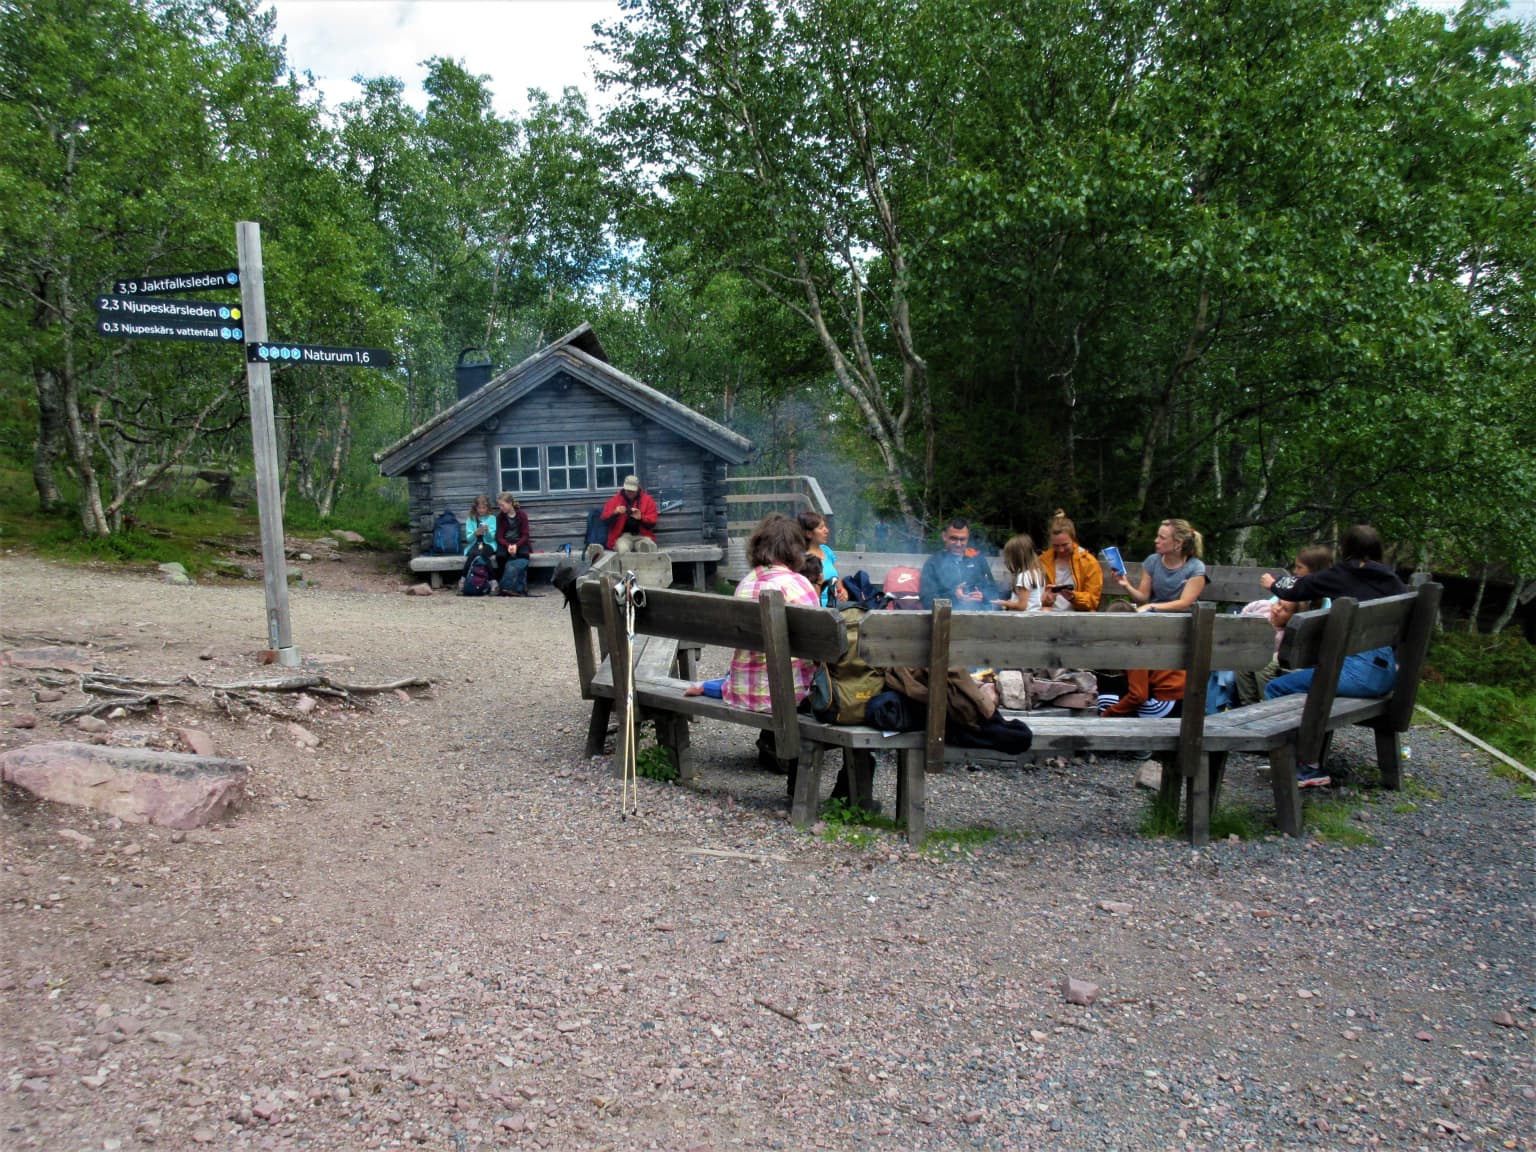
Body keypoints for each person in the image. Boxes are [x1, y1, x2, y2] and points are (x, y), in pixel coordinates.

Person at [1262, 524, 1407, 787]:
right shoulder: (1393, 581)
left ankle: (1304, 765)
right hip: (1386, 674)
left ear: (1345, 549)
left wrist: (1273, 584)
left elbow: (1297, 589)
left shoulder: (1343, 575)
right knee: (1316, 684)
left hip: (1356, 674)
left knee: (1277, 688)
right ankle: (1307, 757)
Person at [684, 514, 820, 722]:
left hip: (743, 689)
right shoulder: (799, 584)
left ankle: (710, 686)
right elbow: (816, 645)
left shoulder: (744, 584)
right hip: (793, 693)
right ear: (793, 550)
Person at [1096, 602, 1185, 717]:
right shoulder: (1146, 637)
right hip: (1178, 699)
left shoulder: (1134, 649)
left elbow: (1138, 696)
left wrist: (1108, 713)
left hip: (1166, 703)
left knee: (1103, 701)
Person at [1115, 518, 1207, 613]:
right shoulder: (1152, 561)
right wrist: (1126, 585)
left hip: (1182, 622)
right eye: (1157, 536)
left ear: (1178, 543)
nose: (1156, 541)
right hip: (1153, 617)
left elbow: (1184, 604)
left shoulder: (1195, 567)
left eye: (1162, 538)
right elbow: (1143, 598)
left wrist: (1151, 606)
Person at [919, 519, 996, 611]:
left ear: (968, 538)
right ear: (944, 536)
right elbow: (926, 599)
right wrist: (953, 596)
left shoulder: (978, 559)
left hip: (978, 616)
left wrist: (983, 595)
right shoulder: (933, 563)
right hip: (947, 618)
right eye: (954, 538)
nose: (958, 544)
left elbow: (993, 590)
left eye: (962, 539)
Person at [1039, 510, 1103, 612]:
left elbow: (1093, 601)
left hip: (1079, 615)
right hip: (1050, 614)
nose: (1061, 549)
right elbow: (1034, 597)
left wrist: (1073, 597)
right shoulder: (1043, 560)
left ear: (1073, 539)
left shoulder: (1088, 562)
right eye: (1056, 545)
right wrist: (1046, 601)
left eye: (1065, 545)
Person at [599, 475, 659, 554]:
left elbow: (652, 523)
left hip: (643, 536)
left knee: (648, 547)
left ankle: (644, 566)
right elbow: (604, 520)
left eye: (632, 491)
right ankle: (628, 566)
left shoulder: (648, 500)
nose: (630, 493)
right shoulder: (615, 500)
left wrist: (641, 518)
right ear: (624, 488)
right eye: (628, 490)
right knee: (623, 550)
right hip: (623, 537)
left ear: (637, 488)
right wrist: (615, 513)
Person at [798, 511, 847, 606]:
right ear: (808, 534)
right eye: (821, 528)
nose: (827, 530)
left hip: (836, 604)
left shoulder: (827, 550)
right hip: (819, 607)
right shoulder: (802, 559)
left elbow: (836, 578)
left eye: (825, 526)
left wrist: (842, 591)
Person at [995, 533, 1049, 612]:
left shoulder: (1024, 576)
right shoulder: (1037, 572)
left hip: (1022, 620)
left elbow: (1022, 606)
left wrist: (1003, 602)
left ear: (1016, 557)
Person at [495, 492, 532, 596]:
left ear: (510, 503)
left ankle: (521, 584)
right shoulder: (500, 517)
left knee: (524, 555)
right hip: (505, 542)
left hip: (520, 542)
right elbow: (499, 537)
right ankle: (504, 584)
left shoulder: (522, 515)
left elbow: (525, 535)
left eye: (502, 505)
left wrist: (516, 545)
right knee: (500, 556)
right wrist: (508, 546)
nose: (500, 507)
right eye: (499, 505)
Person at [462, 494, 498, 587]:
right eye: (479, 508)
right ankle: (462, 580)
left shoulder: (492, 518)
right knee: (472, 555)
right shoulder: (471, 519)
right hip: (475, 544)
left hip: (488, 544)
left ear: (487, 508)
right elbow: (469, 540)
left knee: (483, 554)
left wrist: (488, 531)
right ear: (475, 508)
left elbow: (492, 538)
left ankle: (493, 581)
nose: (481, 510)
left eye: (483, 508)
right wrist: (475, 533)